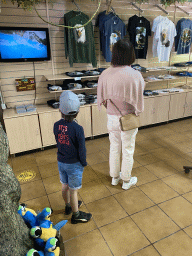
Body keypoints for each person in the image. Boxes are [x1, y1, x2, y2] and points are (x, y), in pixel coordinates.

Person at [97, 38, 145, 190]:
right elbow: (138, 99)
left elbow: (102, 99)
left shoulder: (105, 74)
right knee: (128, 149)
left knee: (114, 147)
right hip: (128, 118)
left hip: (111, 117)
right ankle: (126, 180)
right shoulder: (135, 75)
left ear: (115, 54)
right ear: (131, 54)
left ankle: (114, 177)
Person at [53, 91, 92, 224]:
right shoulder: (78, 128)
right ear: (77, 111)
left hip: (61, 161)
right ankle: (76, 215)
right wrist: (83, 162)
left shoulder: (56, 125)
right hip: (74, 163)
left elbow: (58, 142)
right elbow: (82, 149)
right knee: (73, 190)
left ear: (60, 110)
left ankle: (68, 206)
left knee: (64, 185)